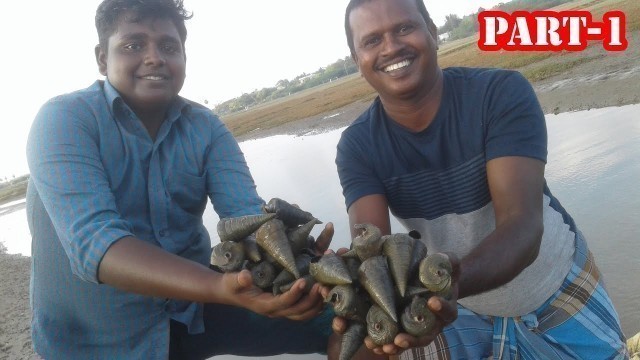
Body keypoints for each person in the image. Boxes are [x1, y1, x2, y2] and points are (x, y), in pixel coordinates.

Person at [25, 0, 336, 358]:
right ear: (101, 58)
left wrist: (297, 256)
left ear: (184, 58)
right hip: (95, 340)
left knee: (342, 318)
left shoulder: (206, 129)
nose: (154, 57)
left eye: (169, 47)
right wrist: (220, 286)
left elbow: (247, 218)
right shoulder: (63, 120)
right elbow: (95, 246)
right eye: (133, 45)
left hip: (193, 311)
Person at [332, 0, 629, 358]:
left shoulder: (498, 94)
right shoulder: (358, 146)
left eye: (404, 28)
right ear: (356, 60)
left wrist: (451, 283)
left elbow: (522, 225)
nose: (392, 47)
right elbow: (372, 253)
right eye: (371, 40)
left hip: (551, 285)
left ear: (433, 31)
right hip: (458, 312)